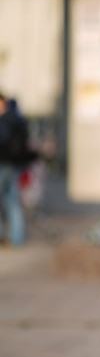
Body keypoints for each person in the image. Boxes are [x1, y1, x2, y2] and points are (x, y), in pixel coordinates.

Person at [0, 93, 36, 247]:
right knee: (12, 200)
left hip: (4, 163)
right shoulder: (16, 118)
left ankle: (7, 236)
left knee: (10, 199)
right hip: (14, 164)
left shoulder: (5, 120)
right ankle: (17, 237)